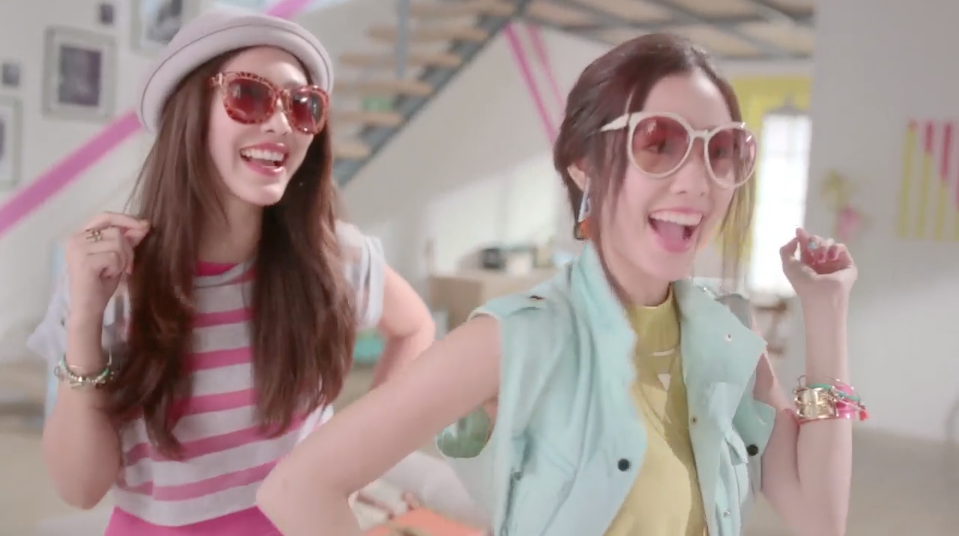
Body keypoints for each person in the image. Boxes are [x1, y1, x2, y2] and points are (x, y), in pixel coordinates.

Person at [256, 33, 863, 536]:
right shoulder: (518, 337)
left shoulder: (725, 335)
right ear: (584, 166)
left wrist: (826, 312)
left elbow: (820, 517)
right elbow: (300, 487)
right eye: (659, 143)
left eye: (721, 149)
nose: (697, 181)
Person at [27, 9, 434, 535]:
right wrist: (85, 319)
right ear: (189, 115)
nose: (281, 123)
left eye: (303, 105)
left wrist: (357, 458)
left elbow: (414, 327)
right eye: (249, 95)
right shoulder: (114, 281)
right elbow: (80, 489)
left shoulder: (334, 259)